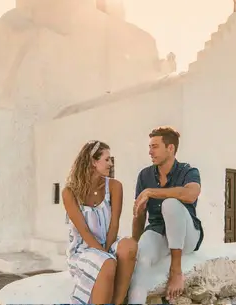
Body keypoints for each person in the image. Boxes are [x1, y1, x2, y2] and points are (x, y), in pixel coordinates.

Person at [130, 127, 204, 302]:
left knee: (170, 203)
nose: (150, 152)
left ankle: (176, 271)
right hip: (158, 232)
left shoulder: (188, 171)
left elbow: (190, 194)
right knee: (141, 258)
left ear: (170, 148)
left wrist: (151, 192)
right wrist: (135, 242)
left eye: (155, 146)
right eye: (149, 147)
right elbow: (139, 214)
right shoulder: (144, 175)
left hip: (187, 236)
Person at [63, 140, 138, 305]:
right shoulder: (70, 192)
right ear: (93, 161)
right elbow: (84, 231)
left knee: (129, 246)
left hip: (108, 242)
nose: (111, 164)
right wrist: (104, 255)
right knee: (107, 263)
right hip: (83, 248)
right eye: (107, 159)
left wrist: (106, 250)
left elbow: (114, 224)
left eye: (111, 160)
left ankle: (117, 302)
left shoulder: (114, 186)